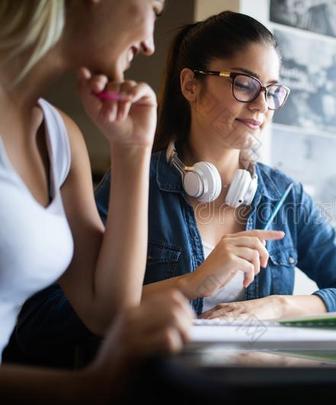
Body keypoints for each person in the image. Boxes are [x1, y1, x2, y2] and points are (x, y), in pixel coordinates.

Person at [11, 11, 336, 357]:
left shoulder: (284, 196)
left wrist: (277, 307)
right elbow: (45, 320)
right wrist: (192, 283)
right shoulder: (138, 182)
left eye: (272, 91)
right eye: (245, 84)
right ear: (191, 85)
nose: (261, 105)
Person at [0, 0, 193, 400]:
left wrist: (133, 150)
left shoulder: (58, 136)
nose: (148, 44)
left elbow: (107, 310)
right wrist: (89, 386)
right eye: (153, 10)